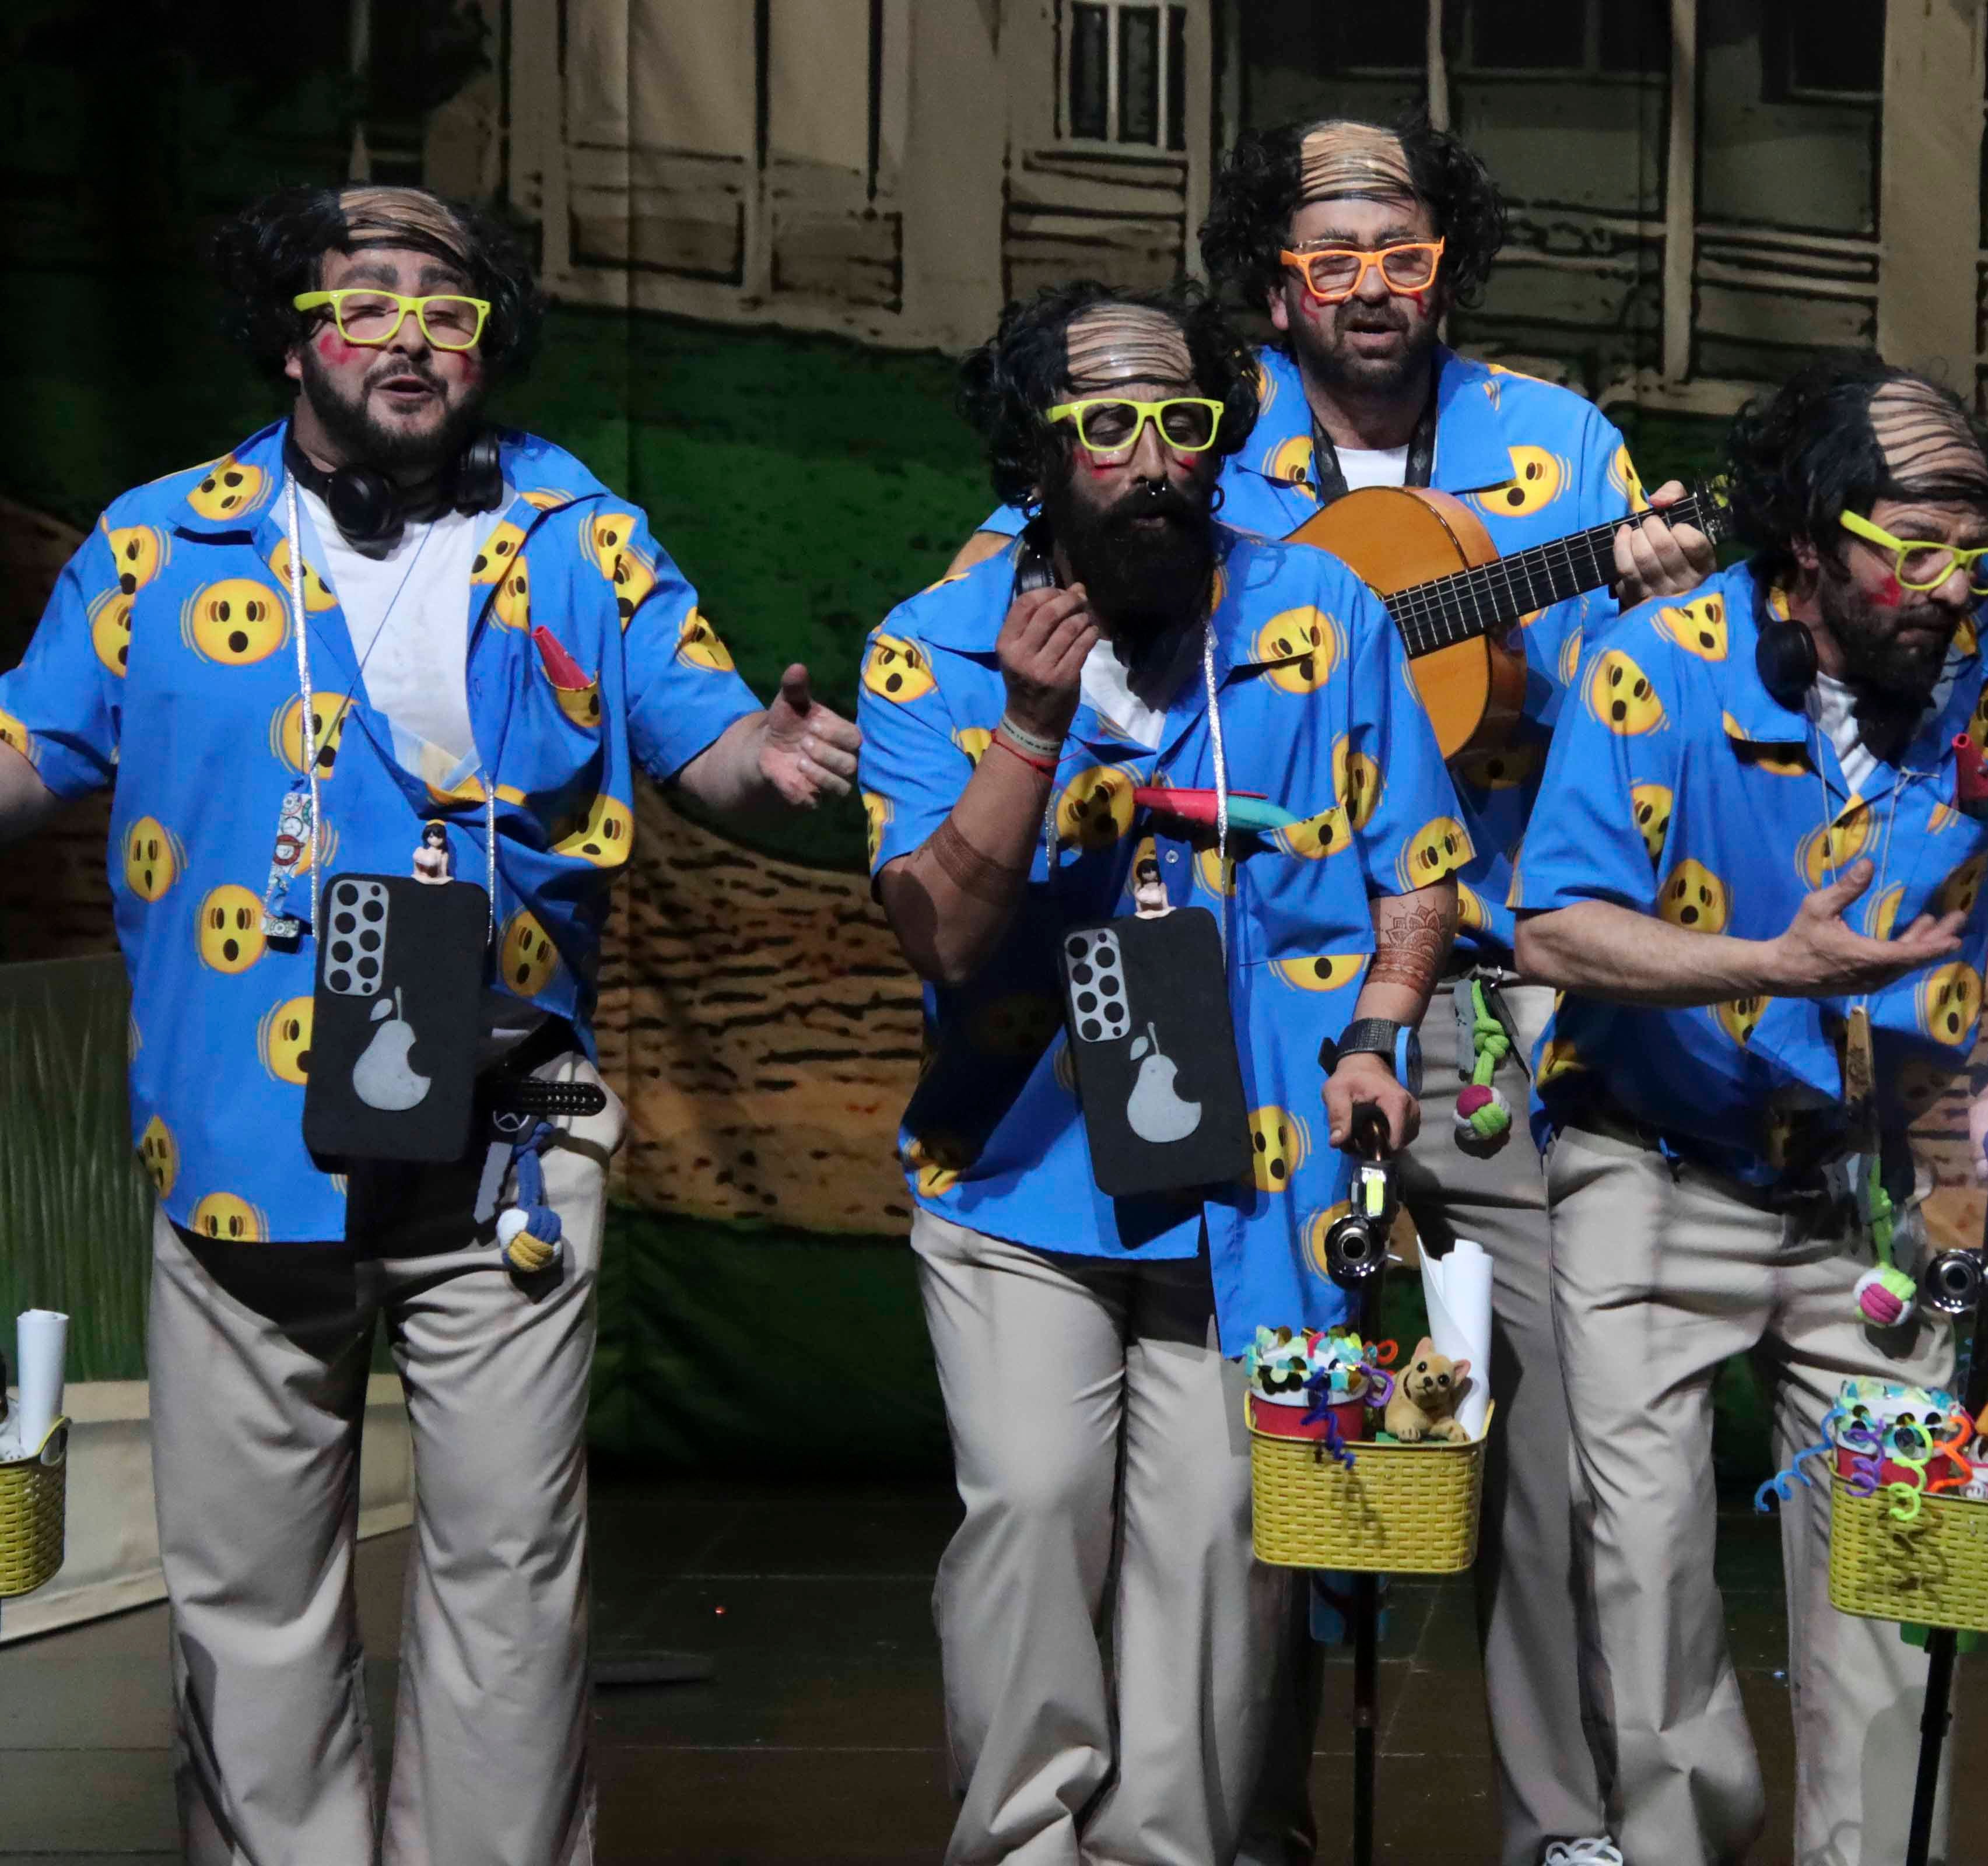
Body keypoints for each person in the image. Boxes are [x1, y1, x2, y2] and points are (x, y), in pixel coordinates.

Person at [0, 183, 857, 1864]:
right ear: (292, 328)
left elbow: (714, 752)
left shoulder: (578, 533)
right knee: (248, 1584)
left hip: (504, 1143)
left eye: (448, 309)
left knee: (509, 1572)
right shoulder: (160, 542)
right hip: (240, 1147)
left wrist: (782, 759)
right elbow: (31, 752)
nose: (409, 335)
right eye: (366, 300)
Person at [953, 113, 1712, 1866]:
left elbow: (1617, 715)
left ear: (1452, 260)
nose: (1372, 289)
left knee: (1526, 1422)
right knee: (1257, 1430)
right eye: (1330, 259)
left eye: (1406, 254)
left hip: (1469, 983)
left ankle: (1561, 1825)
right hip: (1219, 1005)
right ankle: (1246, 1822)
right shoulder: (1201, 437)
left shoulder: (1560, 450)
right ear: (1274, 281)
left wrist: (1571, 654)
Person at [862, 279, 1470, 1865]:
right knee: (1037, 1504)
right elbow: (935, 929)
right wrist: (1029, 728)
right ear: (1036, 453)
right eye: (1105, 424)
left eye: (1183, 422)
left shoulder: (1317, 616)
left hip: (1255, 1179)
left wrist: (1379, 1036)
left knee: (1215, 1543)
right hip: (1017, 1169)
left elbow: (1418, 871)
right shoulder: (931, 649)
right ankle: (1019, 1845)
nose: (1151, 457)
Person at [1510, 354, 1988, 1866]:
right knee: (1645, 1590)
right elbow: (1556, 929)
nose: (1944, 580)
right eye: (1905, 545)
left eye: (1968, 544)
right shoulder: (1657, 663)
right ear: (1803, 547)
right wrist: (1771, 964)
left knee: (1899, 1607)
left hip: (1874, 1186)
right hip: (1653, 1165)